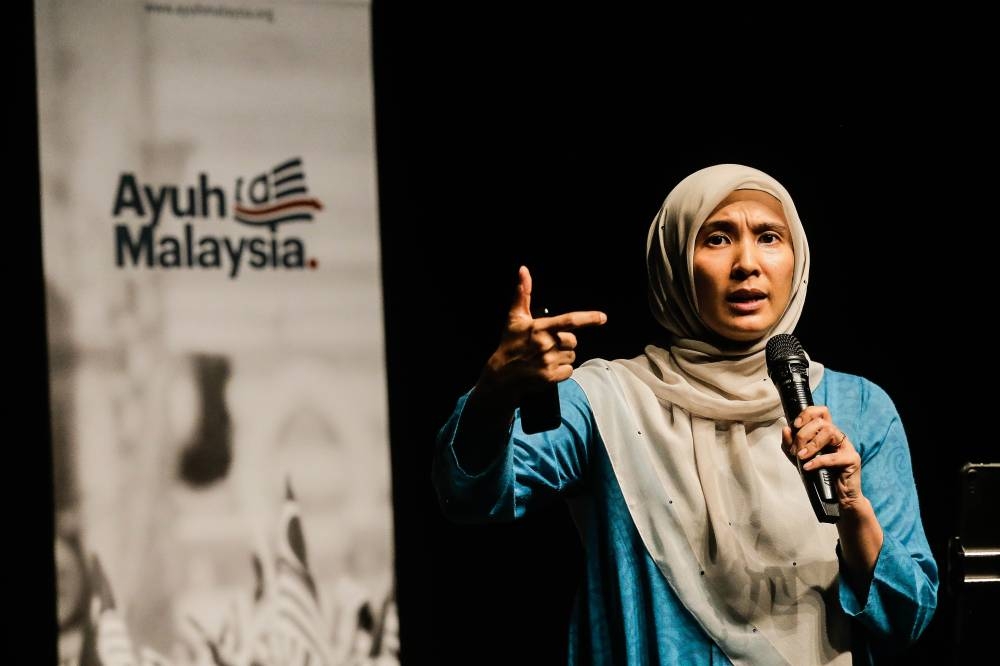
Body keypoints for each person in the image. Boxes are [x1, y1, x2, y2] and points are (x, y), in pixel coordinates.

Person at [431, 163, 938, 665]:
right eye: (716, 239)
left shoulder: (861, 408)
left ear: (797, 258)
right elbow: (471, 495)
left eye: (769, 237)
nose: (747, 263)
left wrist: (851, 510)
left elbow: (907, 617)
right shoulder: (607, 401)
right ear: (674, 261)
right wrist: (496, 391)